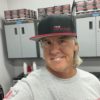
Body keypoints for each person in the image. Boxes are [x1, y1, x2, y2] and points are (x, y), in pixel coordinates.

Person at [3, 14, 100, 100]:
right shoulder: (30, 86)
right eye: (47, 42)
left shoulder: (93, 82)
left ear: (76, 45)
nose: (54, 50)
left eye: (62, 41)